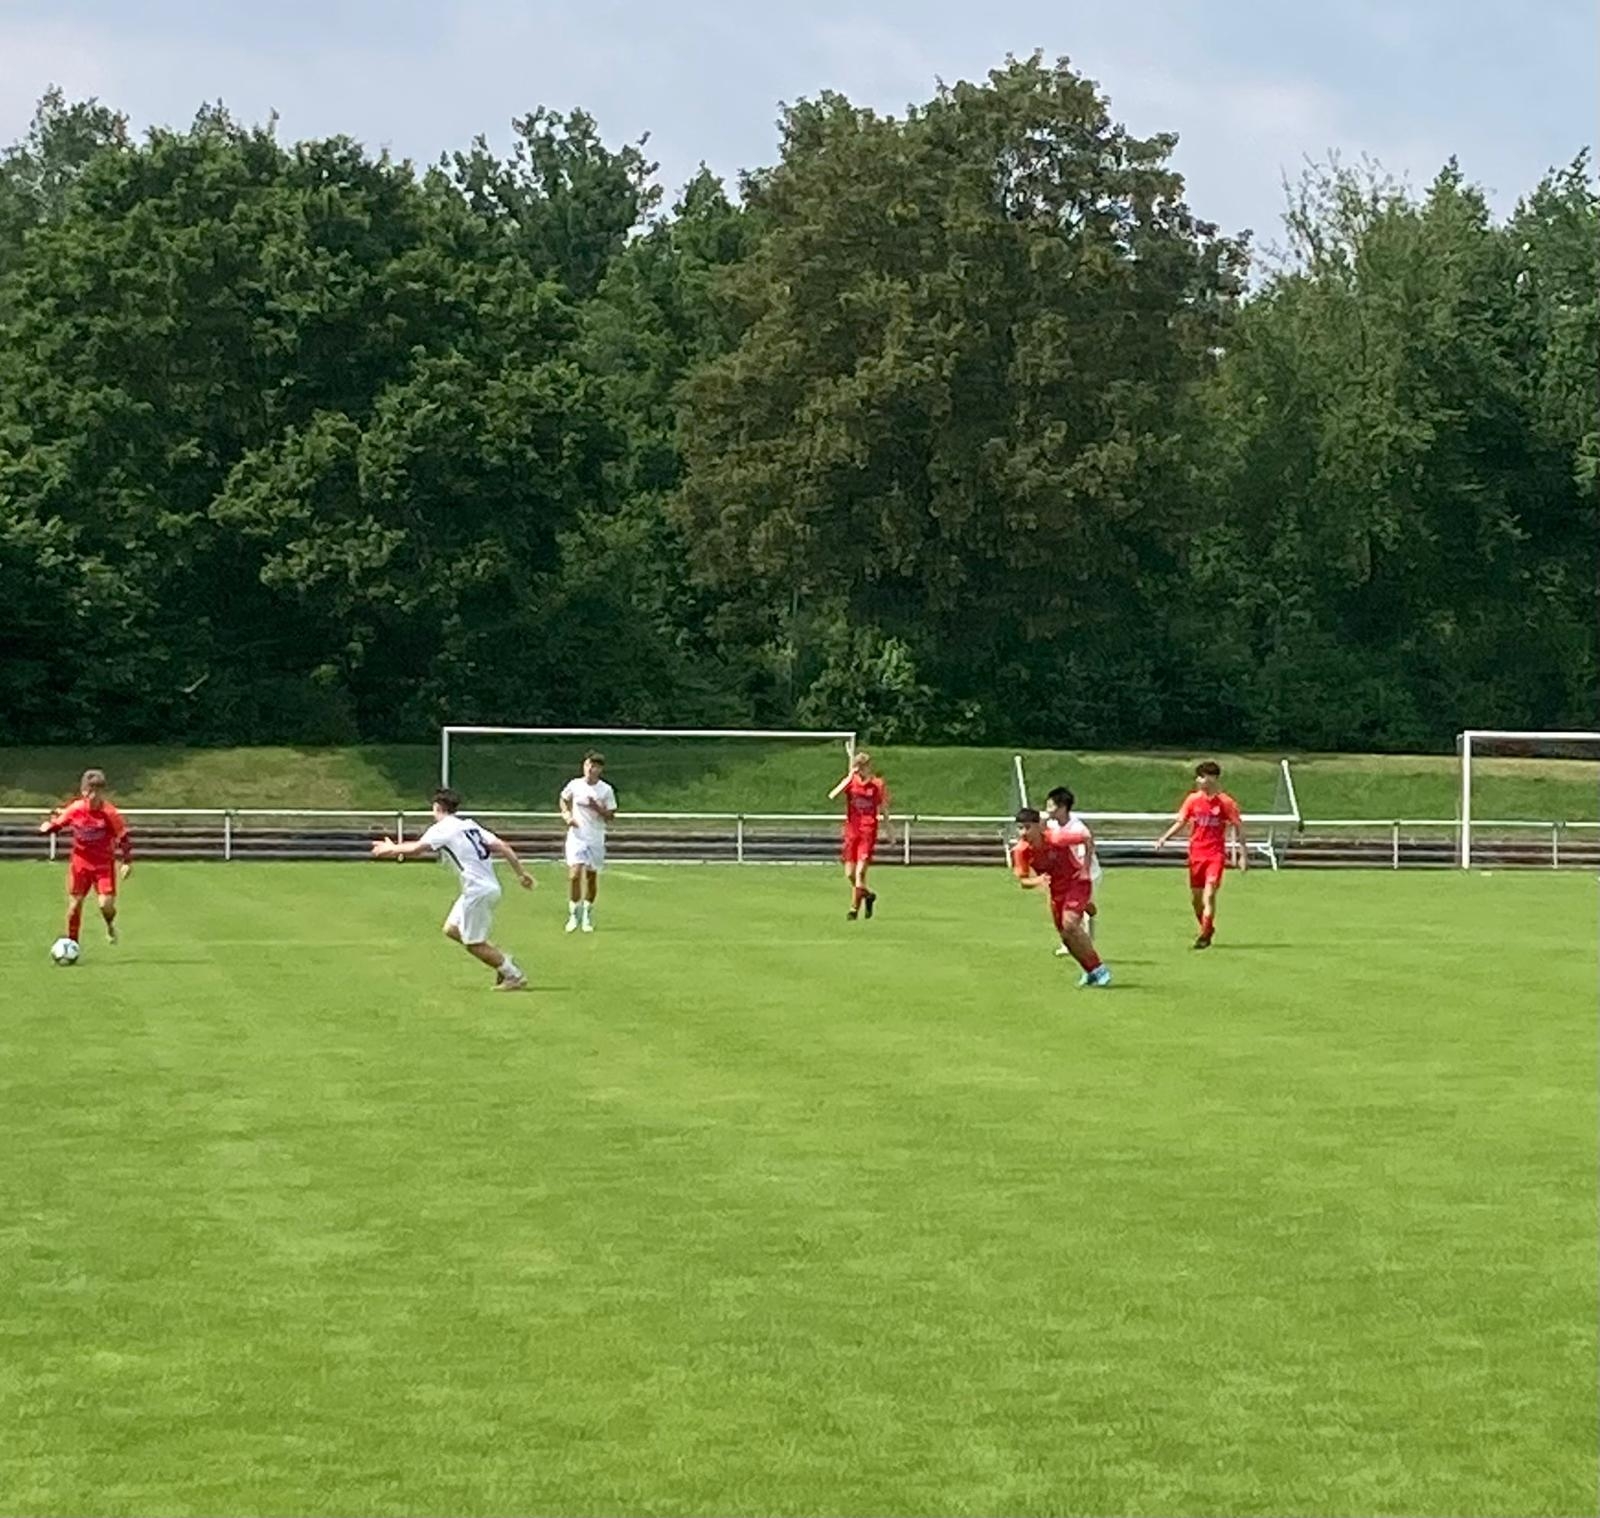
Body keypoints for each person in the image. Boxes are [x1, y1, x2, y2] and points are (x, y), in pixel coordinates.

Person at [371, 788, 534, 989]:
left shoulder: (443, 828)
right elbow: (503, 846)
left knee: (473, 944)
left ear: (436, 807)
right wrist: (521, 873)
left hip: (477, 891)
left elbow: (416, 849)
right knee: (451, 929)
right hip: (484, 888)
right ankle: (500, 959)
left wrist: (391, 849)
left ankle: (513, 975)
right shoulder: (470, 825)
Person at [1155, 760, 1248, 948]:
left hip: (1215, 855)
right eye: (1198, 777)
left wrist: (1243, 854)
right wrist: (1164, 838)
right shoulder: (1193, 800)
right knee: (1196, 900)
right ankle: (1207, 927)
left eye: (1202, 777)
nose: (1199, 780)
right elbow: (1181, 821)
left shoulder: (1226, 802)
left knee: (1209, 894)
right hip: (1196, 854)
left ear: (1212, 778)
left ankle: (1204, 935)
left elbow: (1238, 827)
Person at [1013, 808, 1110, 986]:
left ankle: (1100, 969)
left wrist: (1085, 867)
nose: (1024, 832)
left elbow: (1086, 838)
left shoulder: (1056, 838)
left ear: (1038, 826)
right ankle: (1090, 970)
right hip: (1056, 892)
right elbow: (1023, 881)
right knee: (1066, 936)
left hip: (1076, 882)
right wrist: (1037, 881)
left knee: (1070, 924)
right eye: (1020, 828)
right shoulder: (1021, 850)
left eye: (1027, 827)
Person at [38, 768, 133, 950]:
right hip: (80, 863)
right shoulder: (76, 809)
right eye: (90, 790)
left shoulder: (109, 813)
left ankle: (109, 924)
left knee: (105, 905)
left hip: (103, 865)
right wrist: (47, 827)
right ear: (83, 791)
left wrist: (127, 861)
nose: (94, 795)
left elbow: (123, 837)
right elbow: (58, 824)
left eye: (98, 791)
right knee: (74, 905)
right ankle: (72, 943)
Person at [559, 752, 617, 933]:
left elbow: (610, 816)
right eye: (588, 765)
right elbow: (563, 799)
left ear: (600, 769)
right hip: (577, 836)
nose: (590, 769)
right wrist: (567, 815)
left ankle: (587, 915)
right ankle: (573, 914)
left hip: (595, 838)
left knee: (591, 877)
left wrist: (597, 807)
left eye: (594, 766)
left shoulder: (605, 790)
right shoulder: (575, 785)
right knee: (574, 875)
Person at [828, 750, 890, 920]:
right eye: (858, 767)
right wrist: (849, 777)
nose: (861, 770)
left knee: (860, 872)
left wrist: (890, 831)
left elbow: (883, 809)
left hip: (868, 832)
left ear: (868, 767)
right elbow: (832, 795)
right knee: (850, 874)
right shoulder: (851, 782)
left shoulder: (877, 785)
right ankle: (868, 896)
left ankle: (854, 909)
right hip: (852, 832)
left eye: (863, 766)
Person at [1044, 785, 1101, 947]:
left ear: (1062, 808)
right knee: (1066, 907)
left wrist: (1084, 872)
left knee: (1076, 910)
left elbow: (1087, 850)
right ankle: (1071, 941)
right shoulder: (1052, 825)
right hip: (1067, 874)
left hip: (1086, 873)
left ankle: (1082, 944)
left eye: (1051, 806)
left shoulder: (1077, 828)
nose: (1047, 810)